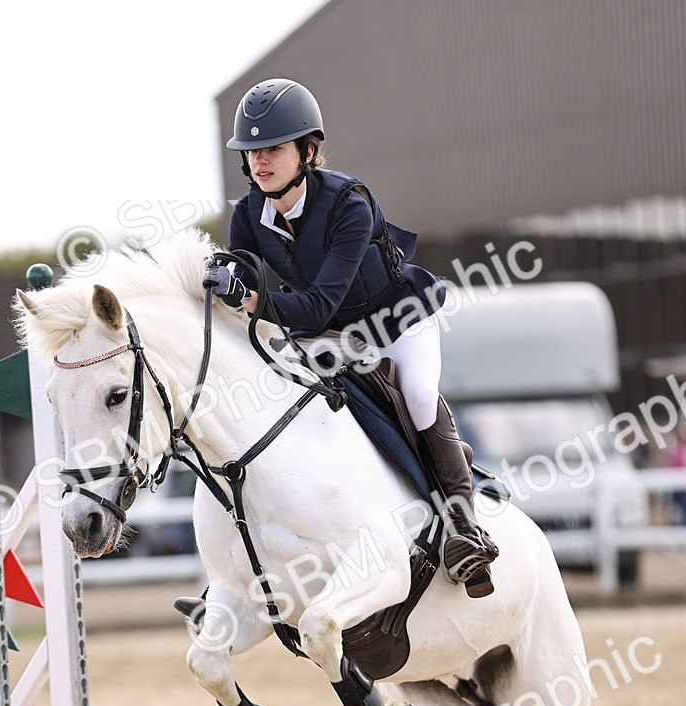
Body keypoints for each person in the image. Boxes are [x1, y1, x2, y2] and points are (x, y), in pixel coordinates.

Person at [204, 78, 498, 598]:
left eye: (273, 148)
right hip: (328, 335)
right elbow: (242, 274)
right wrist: (219, 278)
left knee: (419, 398)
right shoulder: (249, 214)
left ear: (308, 150)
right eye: (251, 151)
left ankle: (464, 527)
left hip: (396, 322)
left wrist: (251, 300)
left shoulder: (348, 203)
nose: (260, 161)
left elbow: (318, 303)